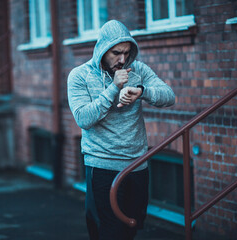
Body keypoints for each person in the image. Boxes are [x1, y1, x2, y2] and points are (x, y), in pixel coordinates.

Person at [67, 20, 175, 240]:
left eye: (126, 52)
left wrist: (141, 91)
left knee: (130, 230)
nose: (122, 59)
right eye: (116, 52)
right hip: (102, 165)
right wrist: (113, 89)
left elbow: (169, 96)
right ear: (102, 49)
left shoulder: (138, 70)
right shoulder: (79, 76)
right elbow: (83, 119)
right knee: (107, 232)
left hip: (137, 165)